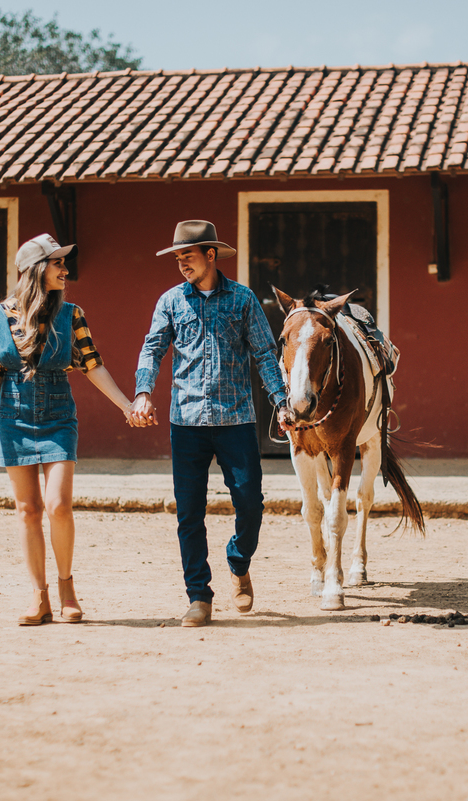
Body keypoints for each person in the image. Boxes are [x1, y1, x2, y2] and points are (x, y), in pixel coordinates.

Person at [0, 233, 138, 626]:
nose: (66, 269)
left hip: (59, 413)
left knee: (58, 505)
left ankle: (66, 589)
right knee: (28, 510)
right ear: (35, 270)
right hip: (12, 414)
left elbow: (92, 364)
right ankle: (38, 597)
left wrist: (126, 405)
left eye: (64, 263)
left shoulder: (71, 314)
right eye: (58, 263)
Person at [131, 220, 291, 628]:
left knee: (251, 503)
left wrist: (281, 403)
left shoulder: (242, 299)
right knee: (189, 513)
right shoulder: (170, 302)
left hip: (236, 419)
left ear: (211, 255)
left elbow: (264, 353)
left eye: (188, 255)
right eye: (177, 257)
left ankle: (239, 561)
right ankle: (199, 597)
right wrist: (144, 391)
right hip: (185, 422)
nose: (181, 263)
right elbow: (152, 349)